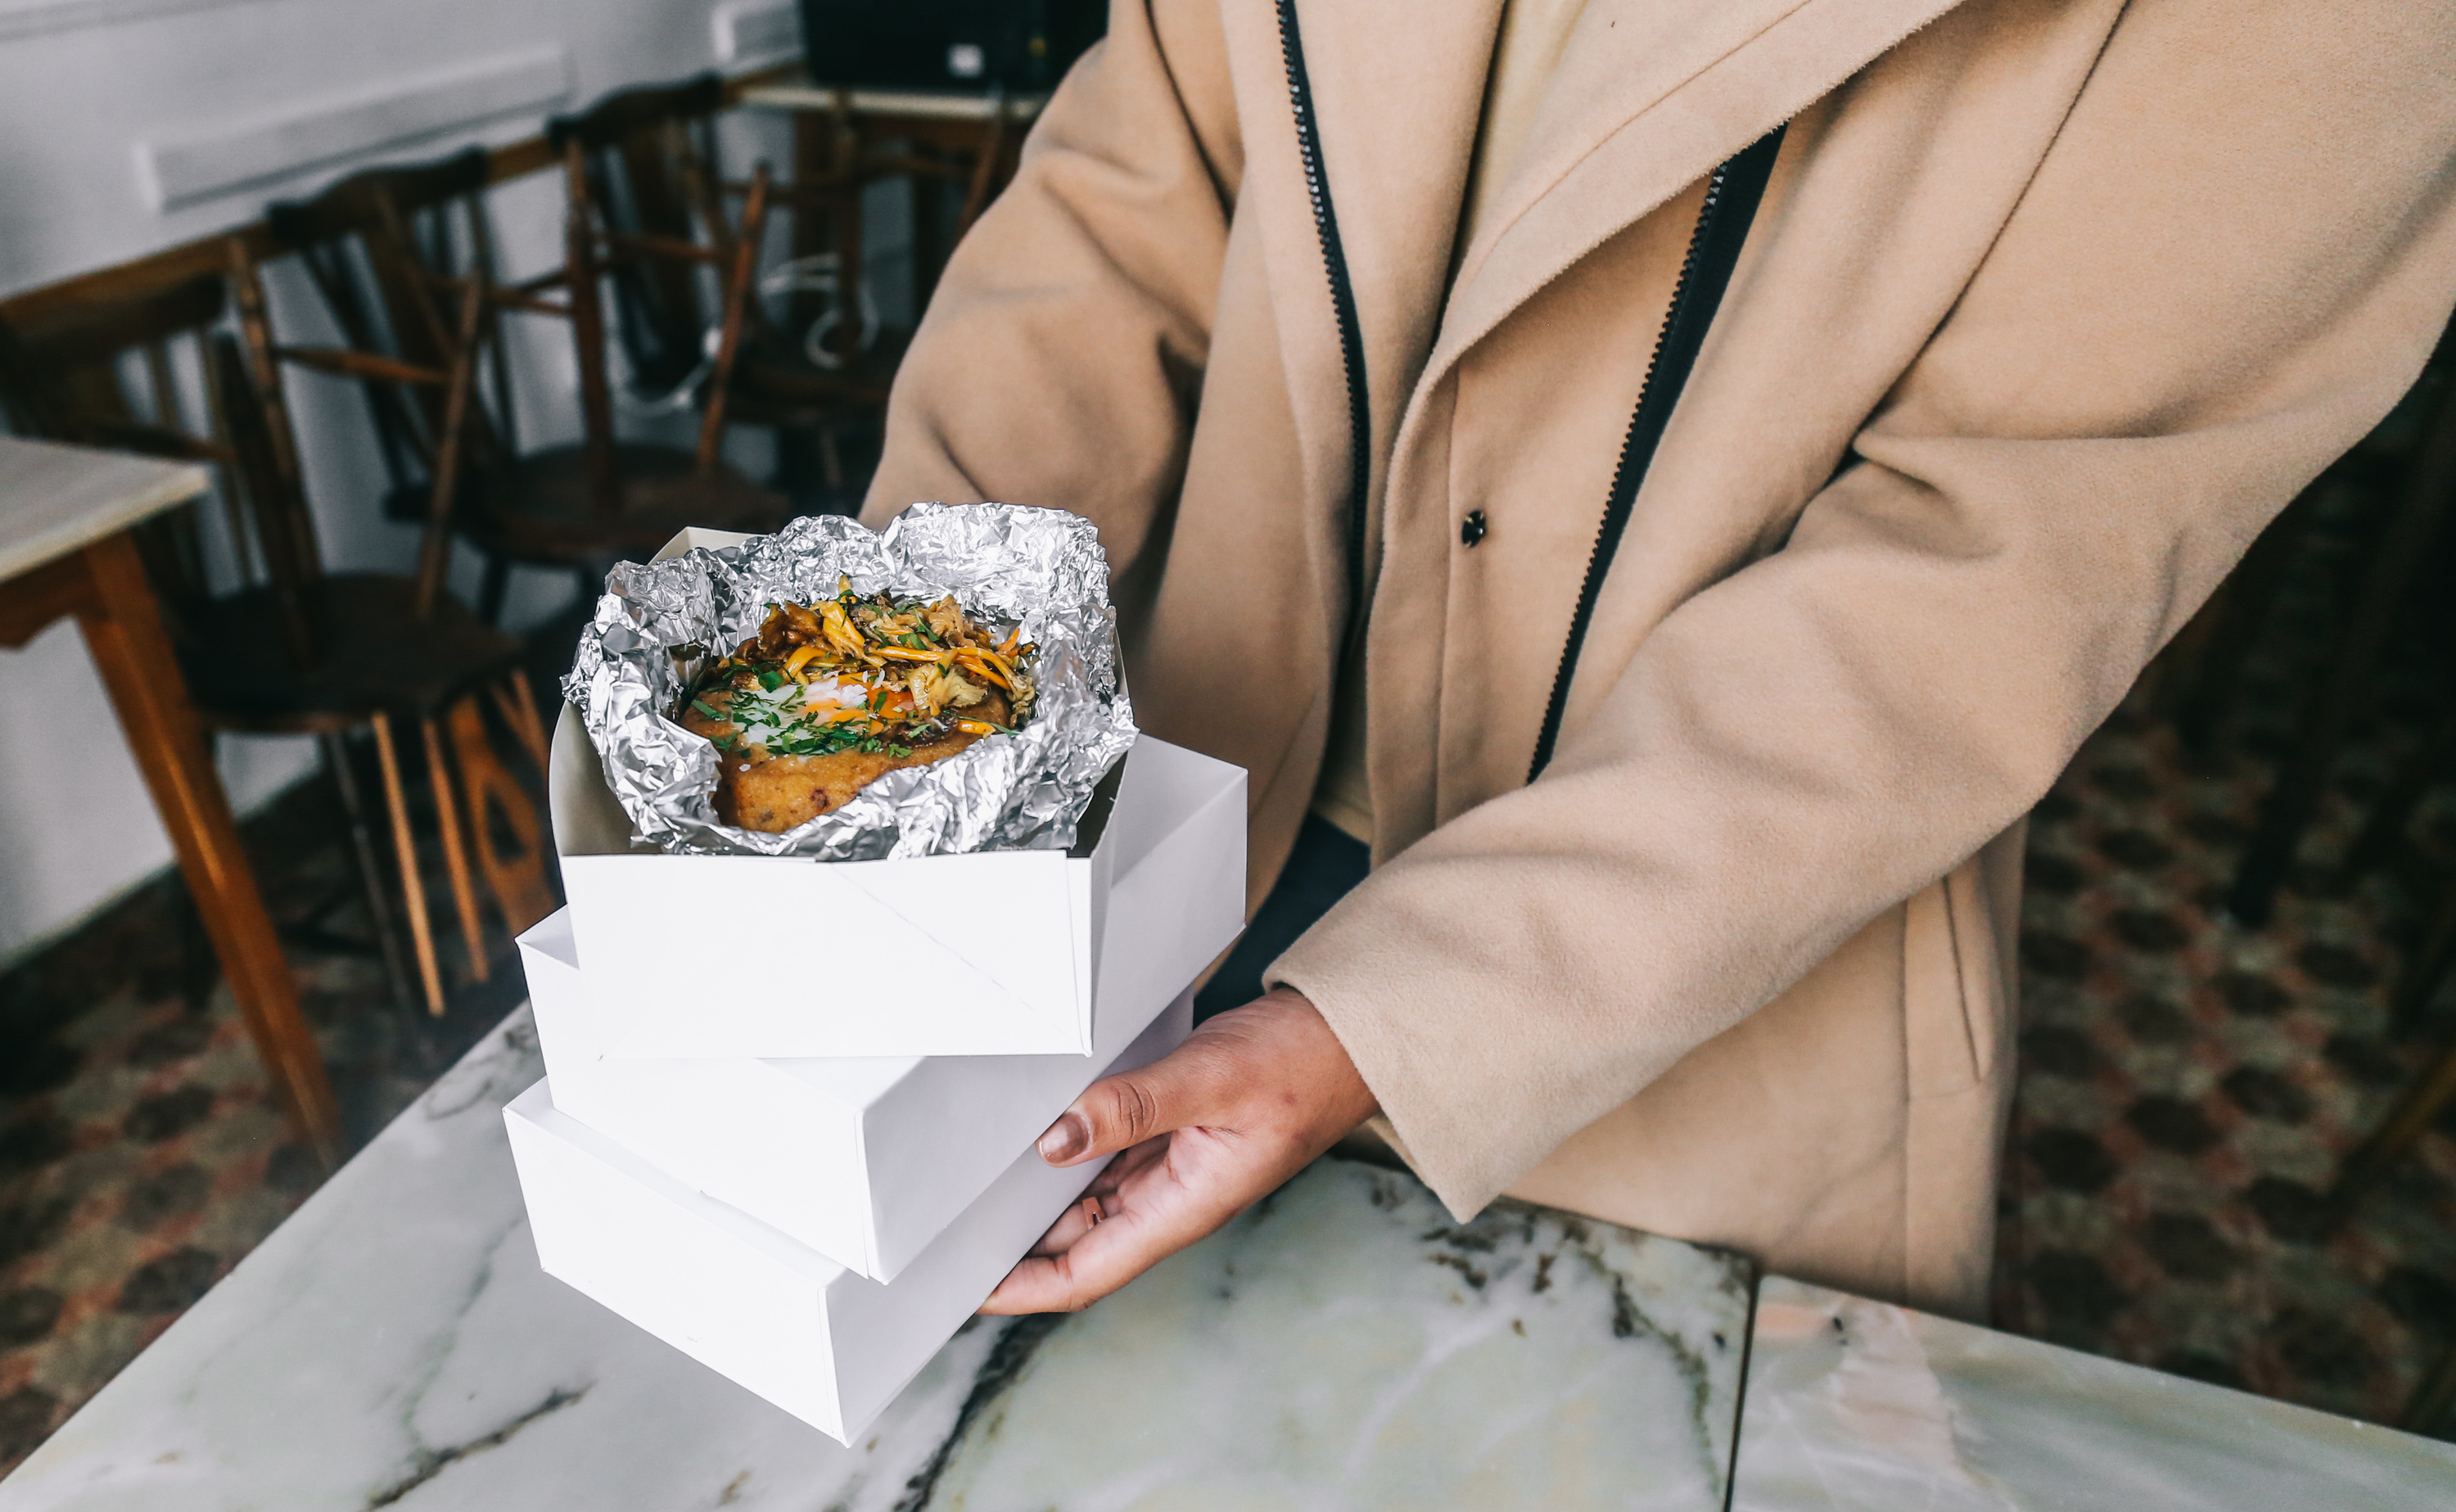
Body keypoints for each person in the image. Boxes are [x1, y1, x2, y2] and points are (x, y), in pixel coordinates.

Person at [860, 0, 2456, 1320]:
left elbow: (1980, 572)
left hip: (1684, 978)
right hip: (1149, 845)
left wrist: (1399, 1023)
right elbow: (1118, 219)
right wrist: (883, 729)